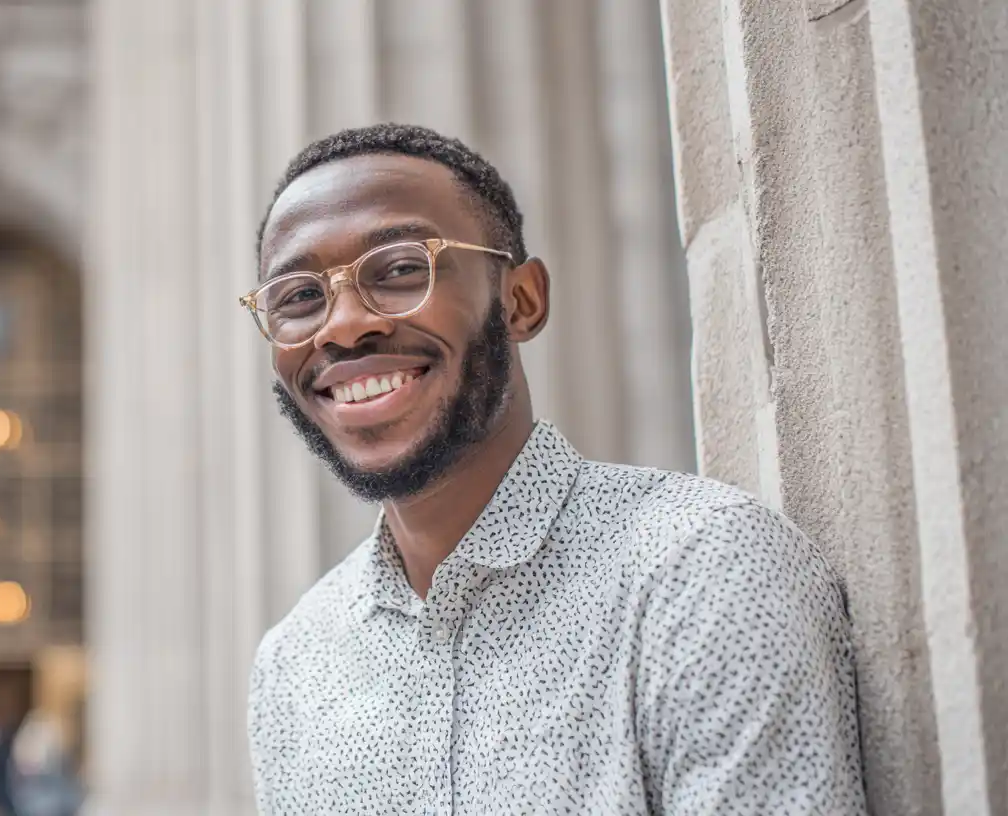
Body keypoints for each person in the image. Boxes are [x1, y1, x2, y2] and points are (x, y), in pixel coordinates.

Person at [243, 124, 867, 814]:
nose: (343, 326)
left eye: (399, 269)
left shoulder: (701, 568)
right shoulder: (295, 665)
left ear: (521, 301)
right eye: (298, 297)